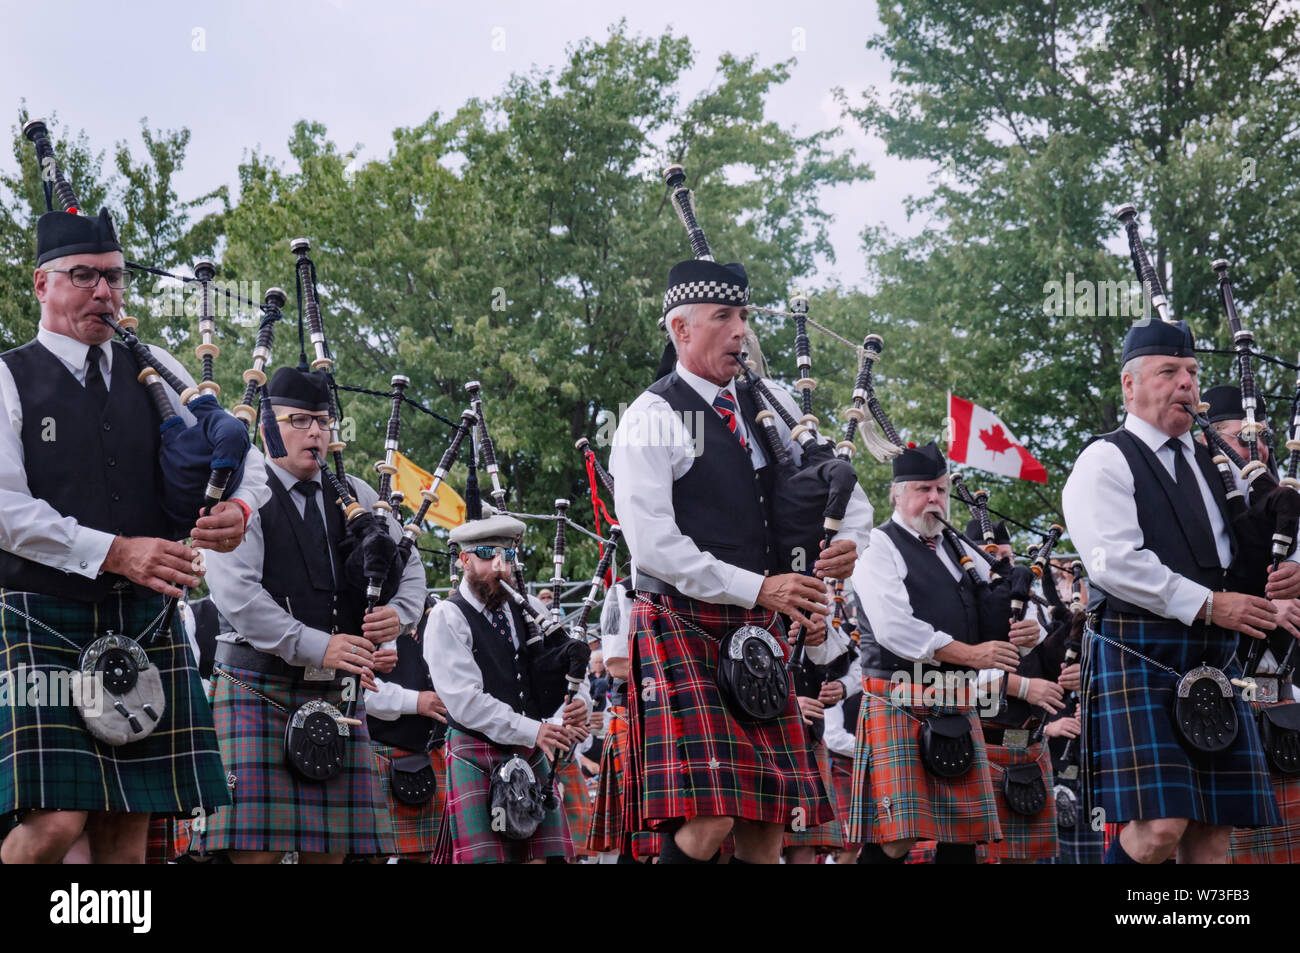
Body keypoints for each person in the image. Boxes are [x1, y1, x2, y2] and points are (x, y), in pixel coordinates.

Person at [0, 208, 267, 864]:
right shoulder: (9, 376)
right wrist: (116, 551)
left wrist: (239, 507)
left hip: (142, 617)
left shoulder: (154, 366)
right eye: (83, 276)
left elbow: (239, 449)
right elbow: (6, 509)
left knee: (128, 824)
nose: (104, 293)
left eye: (115, 278)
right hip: (40, 614)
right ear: (41, 284)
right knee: (57, 821)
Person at [609, 257, 873, 864]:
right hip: (684, 623)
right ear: (680, 329)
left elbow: (841, 488)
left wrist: (849, 541)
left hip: (760, 630)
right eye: (723, 317)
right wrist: (760, 588)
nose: (740, 331)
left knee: (770, 819)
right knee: (712, 815)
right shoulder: (652, 417)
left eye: (745, 317)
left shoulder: (773, 404)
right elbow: (652, 546)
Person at [1061, 321, 1297, 864]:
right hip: (1140, 649)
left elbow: (1266, 532)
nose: (1186, 384)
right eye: (1168, 372)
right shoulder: (1106, 459)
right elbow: (1114, 563)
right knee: (1160, 828)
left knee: (1213, 833)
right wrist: (1213, 604)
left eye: (1191, 373)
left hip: (1216, 654)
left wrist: (1289, 565)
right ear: (1130, 386)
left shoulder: (1215, 463)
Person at [196, 365, 426, 863]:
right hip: (258, 684)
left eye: (323, 421)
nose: (316, 432)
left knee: (332, 848)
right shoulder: (242, 495)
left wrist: (399, 616)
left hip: (336, 692)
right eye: (299, 420)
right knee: (253, 851)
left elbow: (409, 566)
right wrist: (323, 645)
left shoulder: (358, 496)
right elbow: (238, 597)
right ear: (267, 427)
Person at [848, 442, 1035, 864]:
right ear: (896, 494)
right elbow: (896, 629)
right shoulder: (877, 546)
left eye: (941, 490)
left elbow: (997, 613)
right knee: (897, 836)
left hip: (955, 697)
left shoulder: (960, 549)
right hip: (900, 697)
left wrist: (1027, 633)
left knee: (963, 832)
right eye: (922, 489)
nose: (934, 499)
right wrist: (972, 655)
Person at [425, 509, 590, 863]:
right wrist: (535, 730)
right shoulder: (448, 616)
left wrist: (578, 704)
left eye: (508, 555)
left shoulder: (528, 607)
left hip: (527, 751)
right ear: (463, 560)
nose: (500, 566)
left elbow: (570, 659)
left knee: (541, 859)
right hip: (476, 749)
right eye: (487, 555)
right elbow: (464, 701)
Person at [1193, 386, 1300, 864]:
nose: (1253, 450)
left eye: (1260, 439)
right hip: (1212, 696)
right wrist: (1262, 606)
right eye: (1239, 439)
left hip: (1285, 700)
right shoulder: (1195, 502)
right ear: (1206, 441)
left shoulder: (1286, 500)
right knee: (1209, 847)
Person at [364, 593, 448, 864]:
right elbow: (358, 690)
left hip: (430, 751)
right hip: (379, 750)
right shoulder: (367, 613)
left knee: (424, 854)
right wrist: (417, 701)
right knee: (371, 854)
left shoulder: (436, 614)